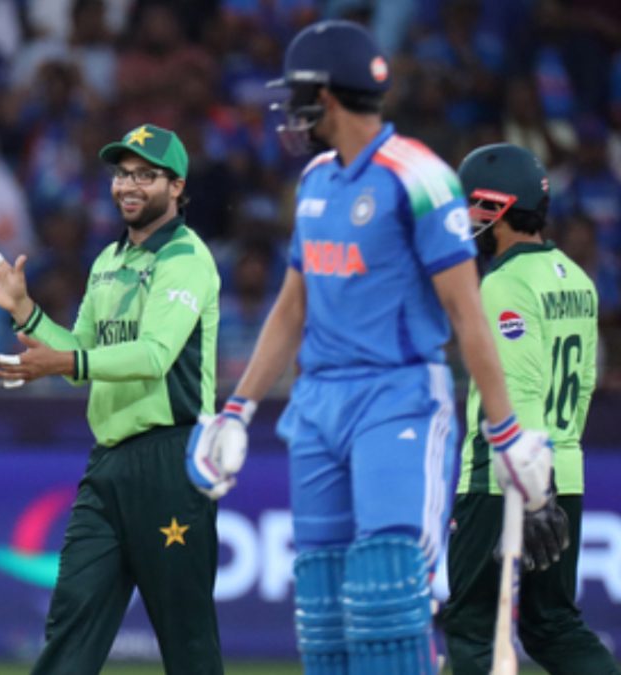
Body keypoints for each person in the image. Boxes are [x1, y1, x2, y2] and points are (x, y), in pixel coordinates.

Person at [184, 21, 553, 675]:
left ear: (325, 96)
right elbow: (292, 306)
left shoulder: (420, 178)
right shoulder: (316, 180)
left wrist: (506, 434)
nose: (292, 111)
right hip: (318, 403)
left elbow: (466, 313)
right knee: (323, 615)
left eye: (299, 95)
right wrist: (236, 410)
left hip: (398, 399)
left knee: (386, 595)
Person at [0, 123, 225, 674]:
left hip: (172, 460)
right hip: (108, 464)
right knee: (71, 625)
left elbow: (153, 356)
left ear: (177, 187)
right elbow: (79, 354)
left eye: (146, 175)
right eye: (122, 174)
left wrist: (65, 362)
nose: (129, 185)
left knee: (188, 640)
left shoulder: (186, 257)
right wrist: (24, 311)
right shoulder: (109, 260)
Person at [441, 143, 621, 675]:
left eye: (471, 206)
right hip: (563, 469)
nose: (466, 220)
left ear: (497, 207)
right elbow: (582, 386)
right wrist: (552, 474)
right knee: (553, 625)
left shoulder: (503, 284)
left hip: (504, 478)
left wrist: (532, 490)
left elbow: (516, 389)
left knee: (470, 626)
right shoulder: (579, 281)